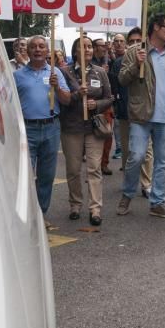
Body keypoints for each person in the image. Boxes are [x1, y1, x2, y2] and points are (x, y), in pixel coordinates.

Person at [117, 13, 165, 218]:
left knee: (162, 162)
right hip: (141, 114)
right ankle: (127, 194)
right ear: (155, 27)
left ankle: (157, 203)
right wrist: (136, 64)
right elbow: (123, 79)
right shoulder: (136, 51)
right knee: (136, 156)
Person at [14, 35, 72, 230]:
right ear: (27, 51)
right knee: (26, 175)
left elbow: (66, 100)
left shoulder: (57, 74)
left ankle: (40, 215)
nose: (37, 50)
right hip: (27, 130)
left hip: (51, 127)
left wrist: (57, 87)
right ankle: (25, 216)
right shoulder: (18, 75)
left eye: (41, 46)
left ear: (47, 51)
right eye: (33, 47)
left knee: (46, 175)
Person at [60, 36, 114, 226]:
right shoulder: (64, 73)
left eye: (90, 46)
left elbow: (109, 98)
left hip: (93, 128)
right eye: (83, 47)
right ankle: (75, 204)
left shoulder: (100, 72)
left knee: (94, 168)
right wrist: (77, 95)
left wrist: (96, 104)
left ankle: (95, 209)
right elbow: (62, 99)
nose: (88, 50)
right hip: (72, 128)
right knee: (74, 170)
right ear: (75, 51)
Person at [110, 27, 153, 192]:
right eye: (132, 42)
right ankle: (129, 183)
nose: (136, 45)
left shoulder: (151, 58)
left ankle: (146, 184)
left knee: (147, 151)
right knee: (129, 151)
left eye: (138, 41)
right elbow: (117, 86)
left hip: (144, 113)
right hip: (125, 112)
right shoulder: (119, 63)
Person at [90, 39, 115, 176]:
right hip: (92, 103)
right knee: (92, 136)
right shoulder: (89, 62)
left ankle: (104, 163)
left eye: (106, 45)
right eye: (102, 45)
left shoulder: (109, 60)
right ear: (95, 48)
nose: (105, 47)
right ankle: (94, 166)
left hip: (106, 104)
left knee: (107, 134)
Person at [109, 33, 128, 160]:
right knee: (117, 125)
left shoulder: (129, 57)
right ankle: (120, 148)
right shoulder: (110, 59)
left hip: (129, 99)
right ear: (113, 44)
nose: (119, 43)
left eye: (121, 41)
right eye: (117, 41)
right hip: (117, 99)